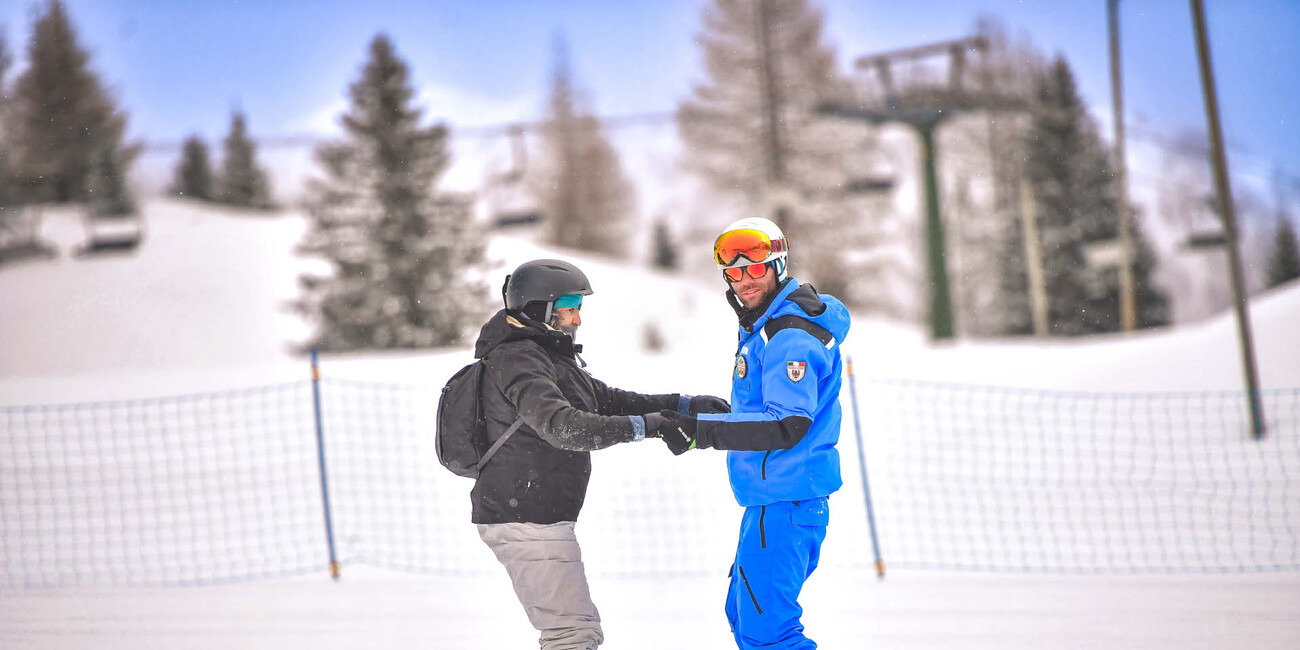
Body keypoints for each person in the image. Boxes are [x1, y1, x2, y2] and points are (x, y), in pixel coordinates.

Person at [472, 258, 729, 650]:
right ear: (541, 310)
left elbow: (605, 400)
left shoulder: (543, 355)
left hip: (534, 514)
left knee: (575, 633)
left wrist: (682, 404)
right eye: (570, 309)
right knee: (572, 636)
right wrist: (652, 426)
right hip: (524, 517)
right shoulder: (519, 359)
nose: (577, 320)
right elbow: (564, 427)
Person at [644, 217, 851, 649]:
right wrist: (722, 413)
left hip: (785, 502)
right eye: (733, 271)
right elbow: (768, 409)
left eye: (754, 267)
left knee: (768, 634)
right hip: (771, 500)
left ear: (778, 264)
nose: (743, 279)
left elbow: (787, 425)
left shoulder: (787, 335)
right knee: (744, 618)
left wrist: (701, 432)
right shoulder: (765, 325)